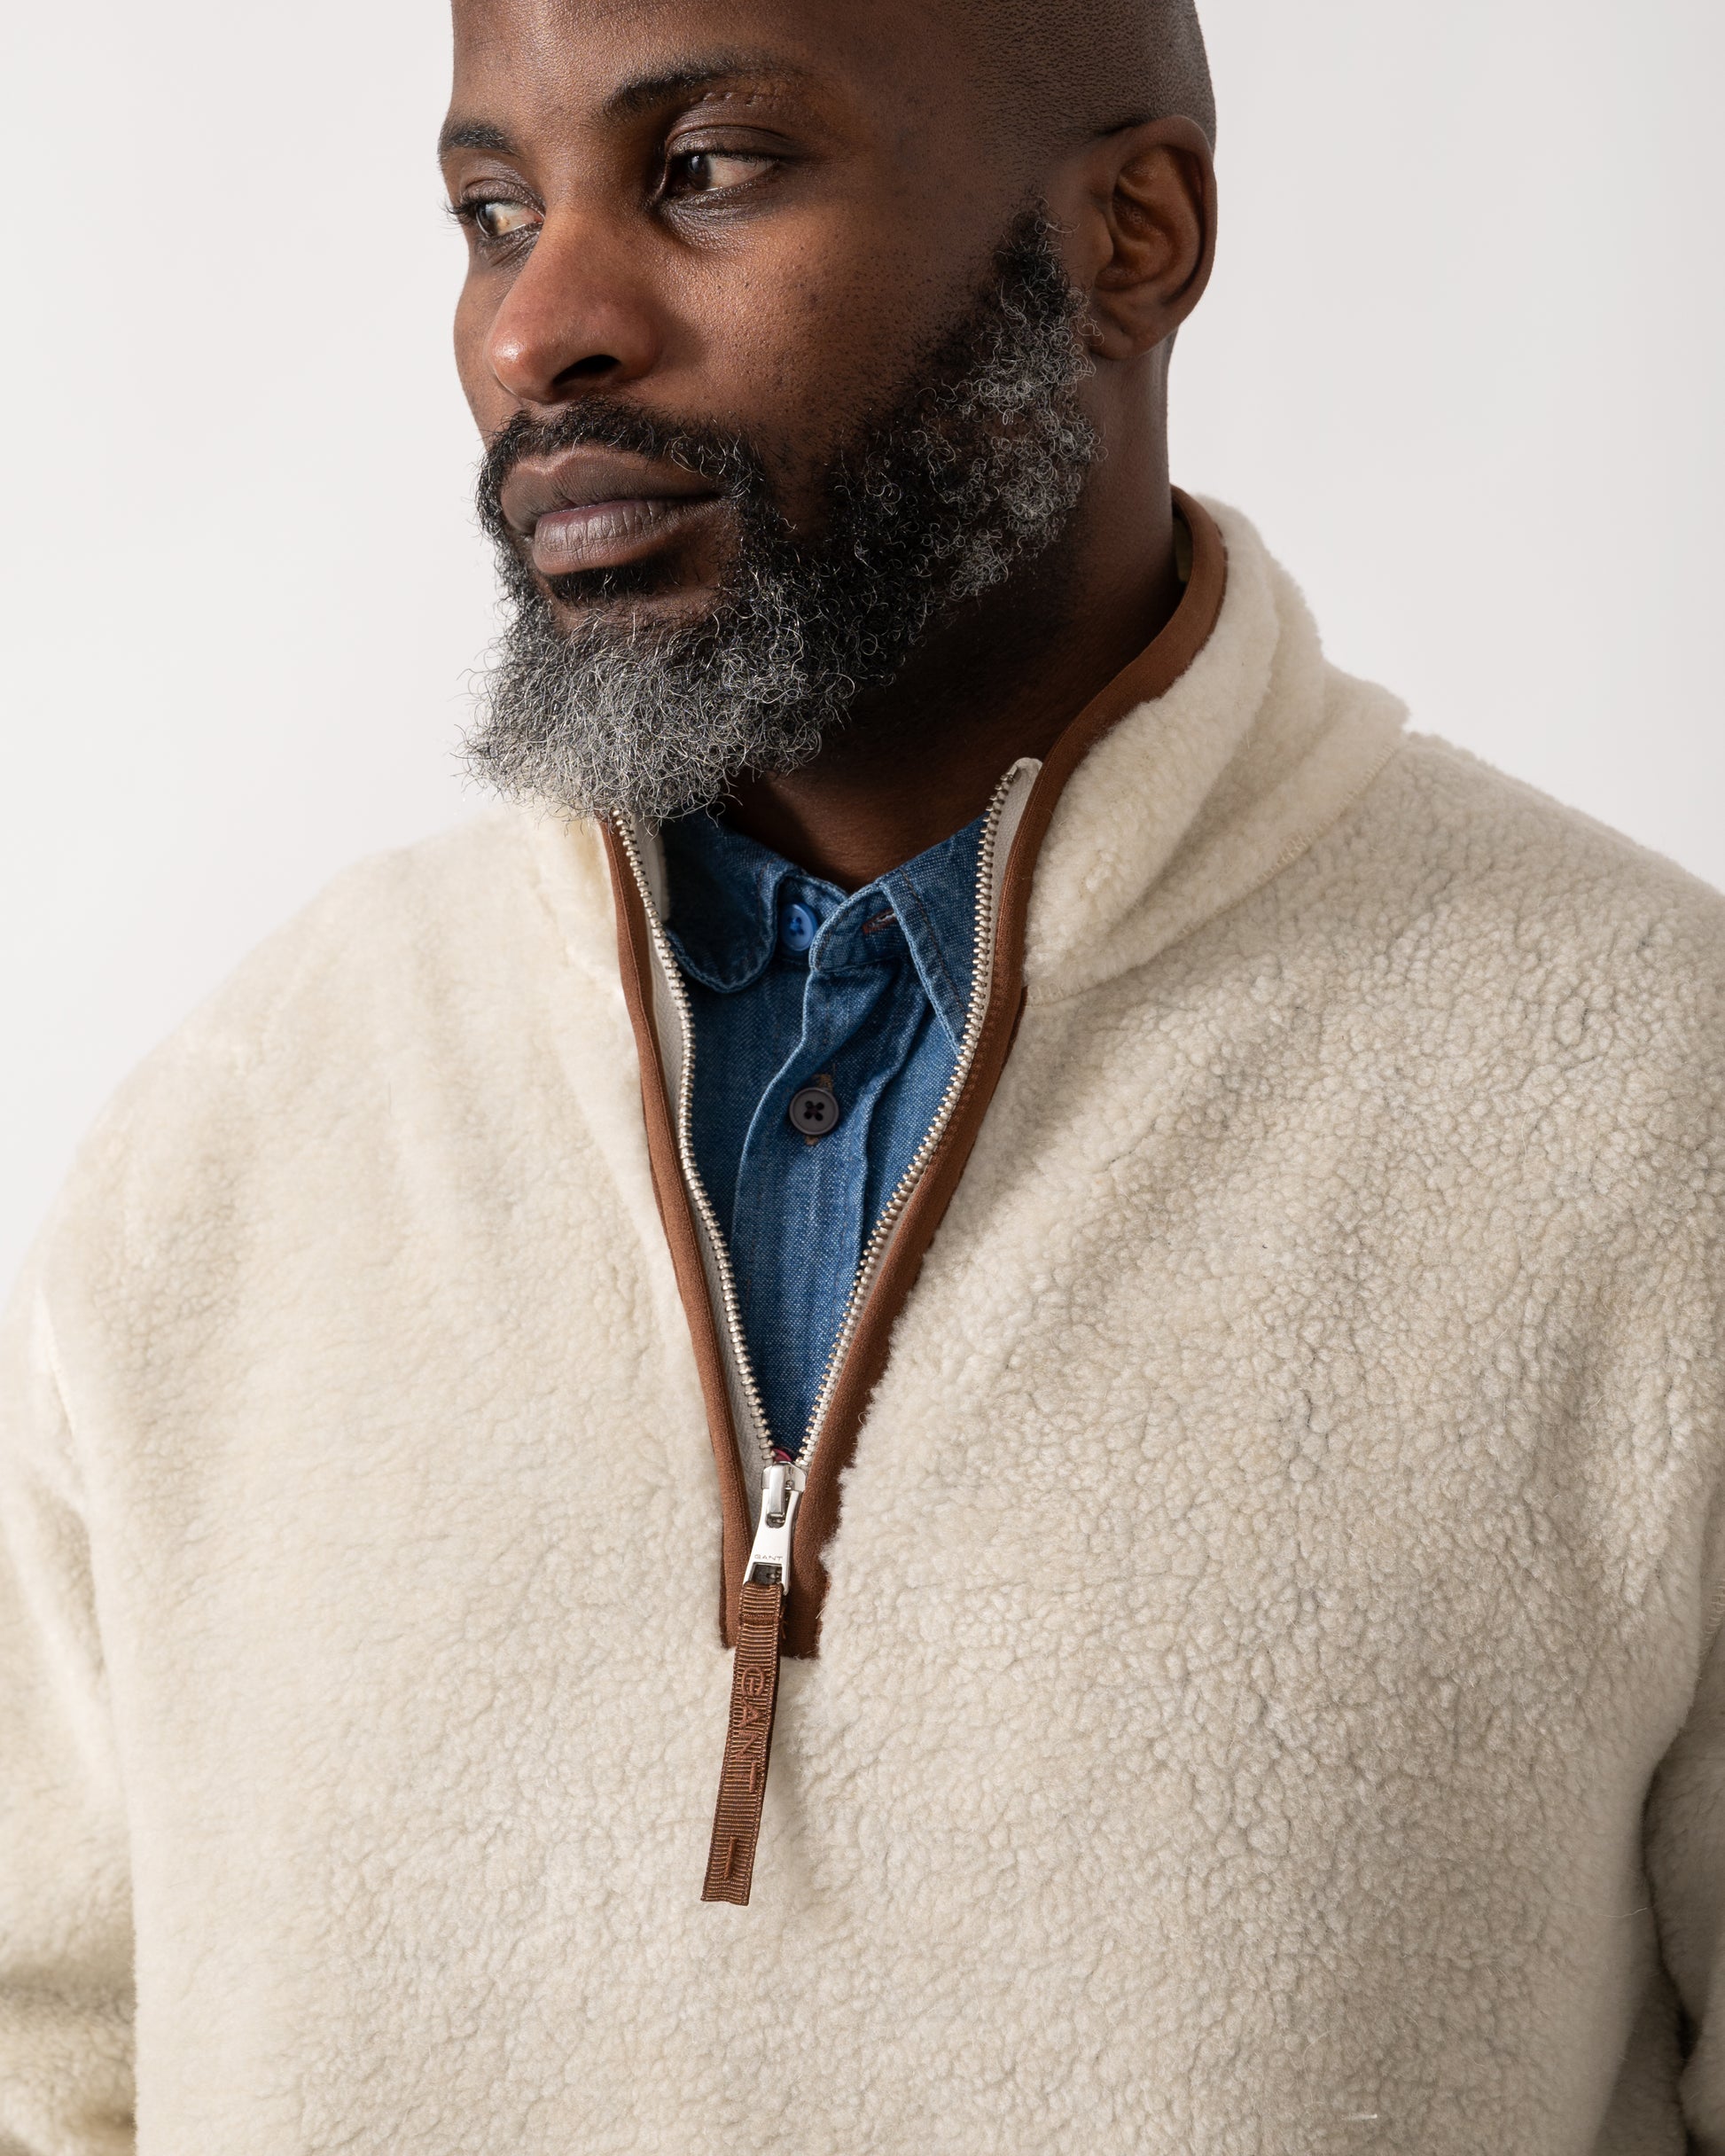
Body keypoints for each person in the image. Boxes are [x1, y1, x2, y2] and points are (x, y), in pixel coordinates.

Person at [3, 0, 1722, 2146]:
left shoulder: (1655, 1116)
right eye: (490, 209)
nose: (542, 325)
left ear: (1131, 234)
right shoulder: (242, 1139)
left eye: (708, 168)